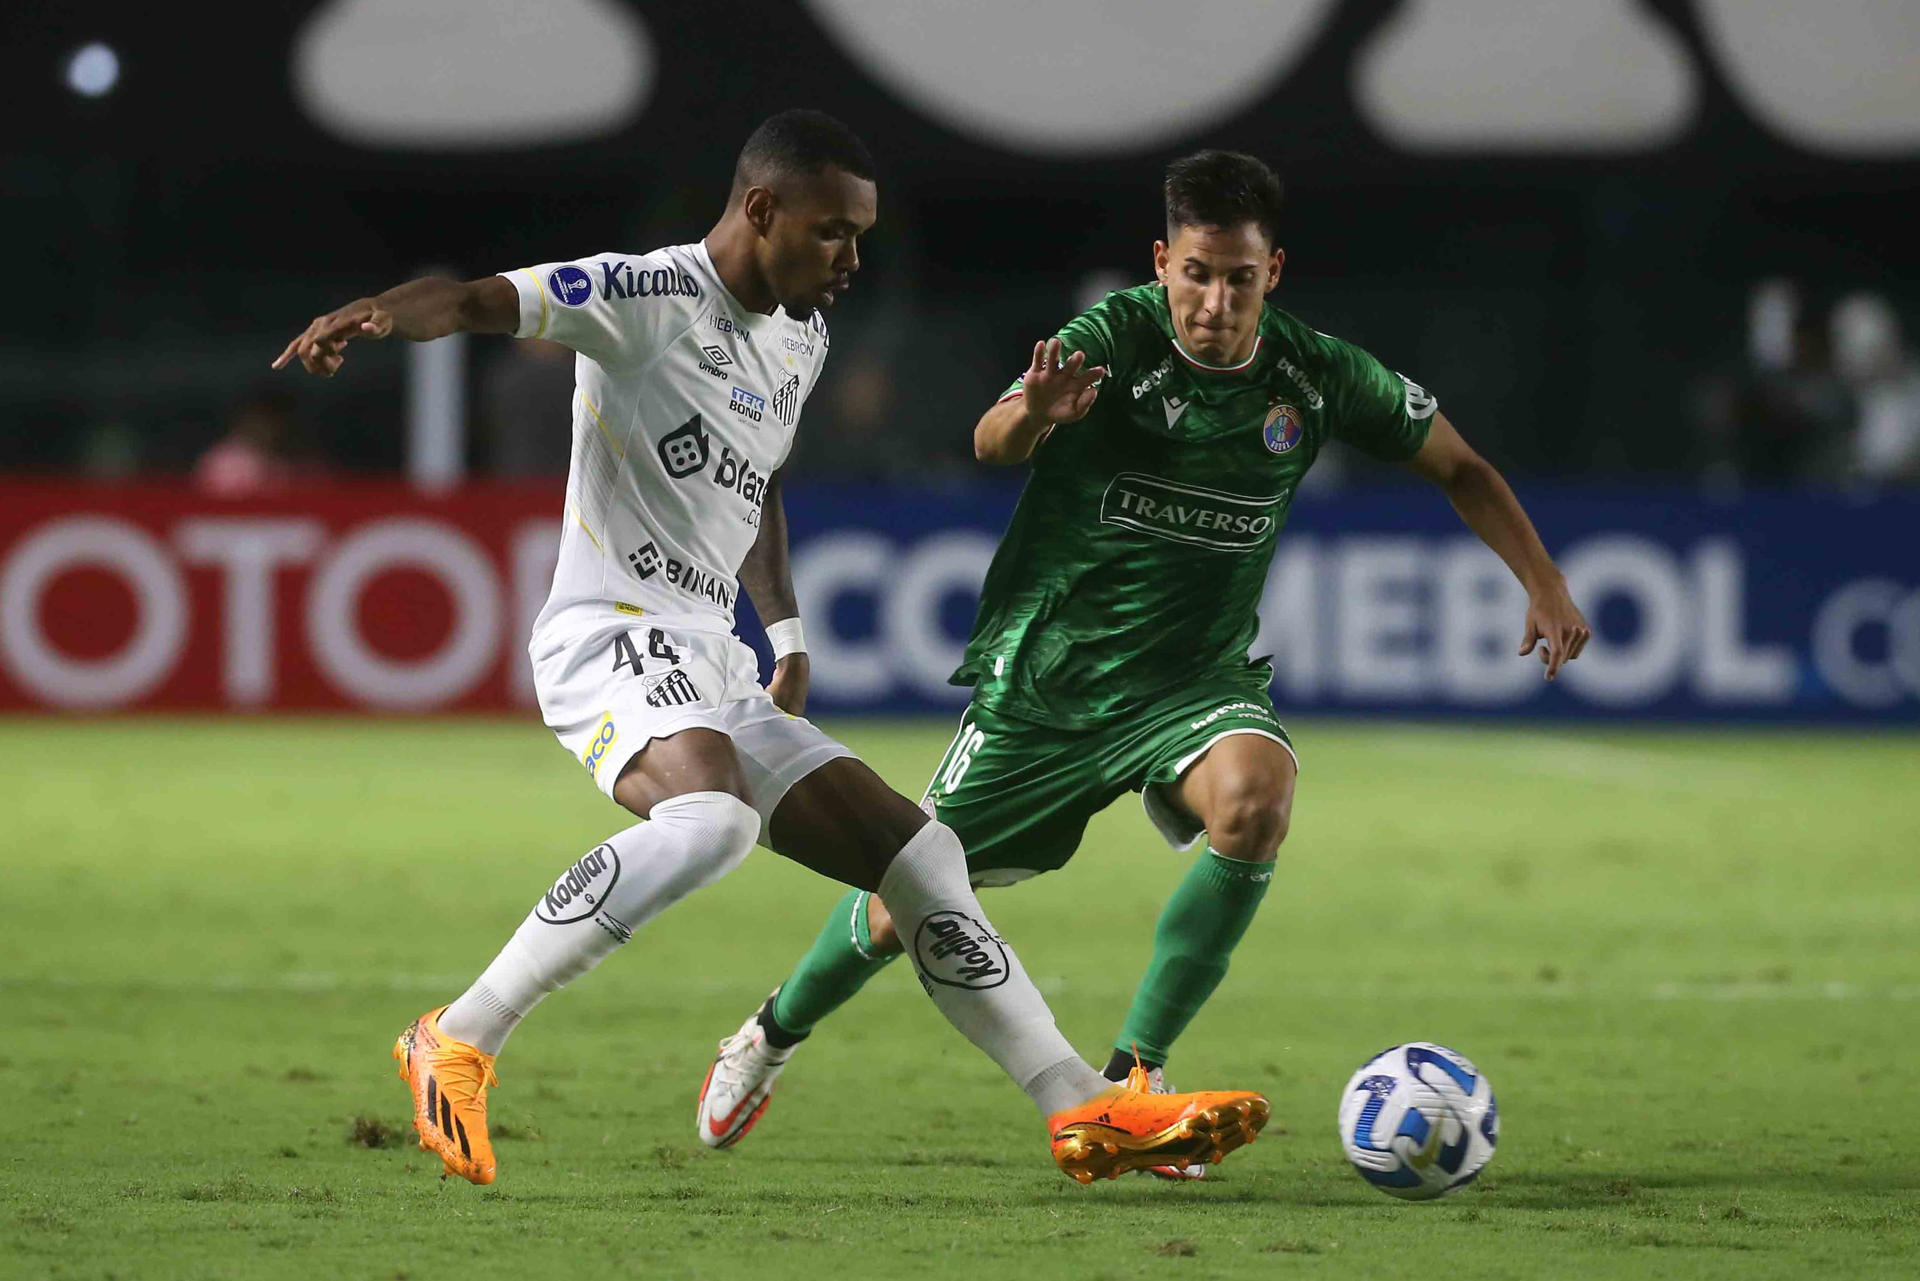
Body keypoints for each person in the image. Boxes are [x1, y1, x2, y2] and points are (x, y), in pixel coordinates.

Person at [270, 111, 1267, 1187]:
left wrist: (781, 629)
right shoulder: (643, 296)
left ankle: (1084, 1110)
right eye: (835, 233)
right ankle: (457, 1036)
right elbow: (472, 302)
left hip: (715, 658)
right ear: (761, 211)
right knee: (713, 823)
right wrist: (374, 315)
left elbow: (758, 479)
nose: (851, 260)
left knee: (924, 859)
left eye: (861, 236)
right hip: (610, 633)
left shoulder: (801, 334)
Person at [701, 150, 1591, 1178]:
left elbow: (1463, 468)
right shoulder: (1112, 340)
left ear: (1274, 274)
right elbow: (994, 441)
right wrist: (1039, 412)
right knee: (907, 900)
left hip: (1194, 683)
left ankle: (1135, 1081)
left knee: (1257, 798)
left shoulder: (1315, 373)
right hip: (1048, 684)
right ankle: (770, 1033)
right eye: (1198, 275)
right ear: (1163, 262)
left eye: (1240, 279)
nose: (1215, 302)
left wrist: (1545, 581)